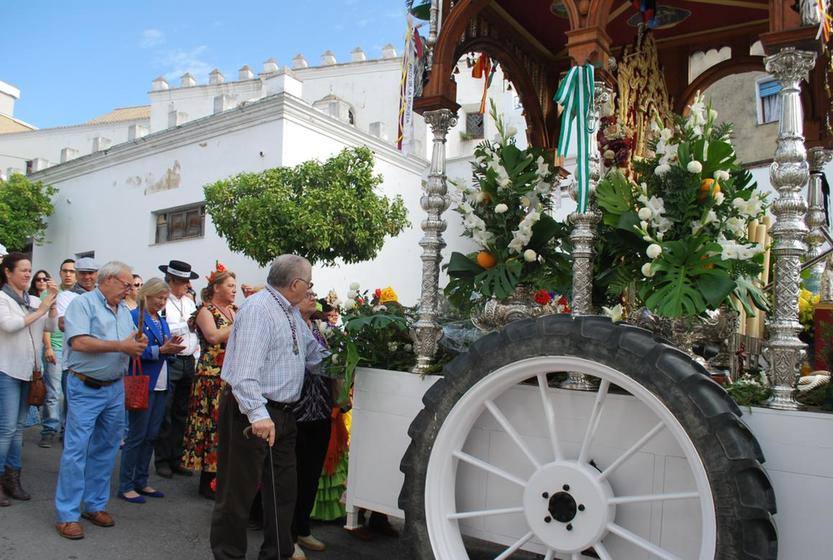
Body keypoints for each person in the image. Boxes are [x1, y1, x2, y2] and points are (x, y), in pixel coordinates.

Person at [211, 254, 329, 560]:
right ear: (296, 284)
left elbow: (315, 358)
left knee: (283, 492)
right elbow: (243, 372)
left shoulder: (290, 312)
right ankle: (228, 555)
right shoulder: (259, 309)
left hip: (284, 414)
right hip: (251, 412)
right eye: (310, 284)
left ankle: (277, 553)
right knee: (236, 494)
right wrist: (259, 415)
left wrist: (357, 358)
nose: (311, 290)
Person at [54, 261, 147, 540]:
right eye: (125, 284)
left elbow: (128, 342)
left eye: (131, 285)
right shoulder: (83, 305)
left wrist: (136, 346)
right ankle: (67, 514)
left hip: (114, 388)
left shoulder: (124, 311)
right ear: (107, 280)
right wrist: (122, 346)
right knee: (76, 450)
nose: (129, 289)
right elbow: (79, 342)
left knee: (106, 450)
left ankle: (94, 505)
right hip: (85, 386)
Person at [118, 278, 184, 504]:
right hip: (143, 381)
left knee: (151, 435)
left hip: (162, 382)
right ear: (147, 294)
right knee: (137, 435)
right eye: (160, 298)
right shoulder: (135, 317)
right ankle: (126, 483)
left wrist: (172, 346)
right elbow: (133, 351)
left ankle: (141, 480)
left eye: (165, 299)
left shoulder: (160, 319)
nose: (163, 302)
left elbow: (163, 348)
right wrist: (161, 349)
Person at [0, 253, 58, 506]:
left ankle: (13, 479)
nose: (28, 274)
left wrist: (52, 308)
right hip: (6, 370)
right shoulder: (2, 298)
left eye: (30, 270)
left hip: (29, 371)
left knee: (18, 431)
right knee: (5, 430)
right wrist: (42, 309)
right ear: (7, 272)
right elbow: (11, 326)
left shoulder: (34, 300)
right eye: (23, 270)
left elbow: (51, 328)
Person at [182, 263, 237, 500]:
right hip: (210, 377)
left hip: (228, 375)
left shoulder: (233, 310)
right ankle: (207, 480)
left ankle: (221, 477)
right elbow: (213, 337)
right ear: (216, 287)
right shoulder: (206, 311)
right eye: (230, 285)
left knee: (225, 427)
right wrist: (238, 324)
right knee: (210, 427)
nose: (234, 290)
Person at [290, 292, 334, 560]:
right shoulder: (290, 324)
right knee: (292, 477)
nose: (314, 297)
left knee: (311, 474)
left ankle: (303, 527)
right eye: (308, 294)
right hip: (296, 411)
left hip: (320, 409)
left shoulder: (316, 327)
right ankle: (288, 535)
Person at [155, 260, 200, 479]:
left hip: (188, 359)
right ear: (172, 281)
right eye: (183, 282)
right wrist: (186, 326)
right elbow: (163, 329)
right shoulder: (163, 301)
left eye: (187, 282)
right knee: (166, 412)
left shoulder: (190, 302)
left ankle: (176, 457)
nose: (186, 286)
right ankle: (162, 459)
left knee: (182, 412)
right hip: (171, 360)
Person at [55, 258, 99, 438]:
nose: (87, 277)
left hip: (98, 366)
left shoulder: (101, 296)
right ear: (77, 275)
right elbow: (65, 324)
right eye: (83, 273)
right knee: (75, 420)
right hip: (74, 365)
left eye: (91, 273)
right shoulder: (67, 296)